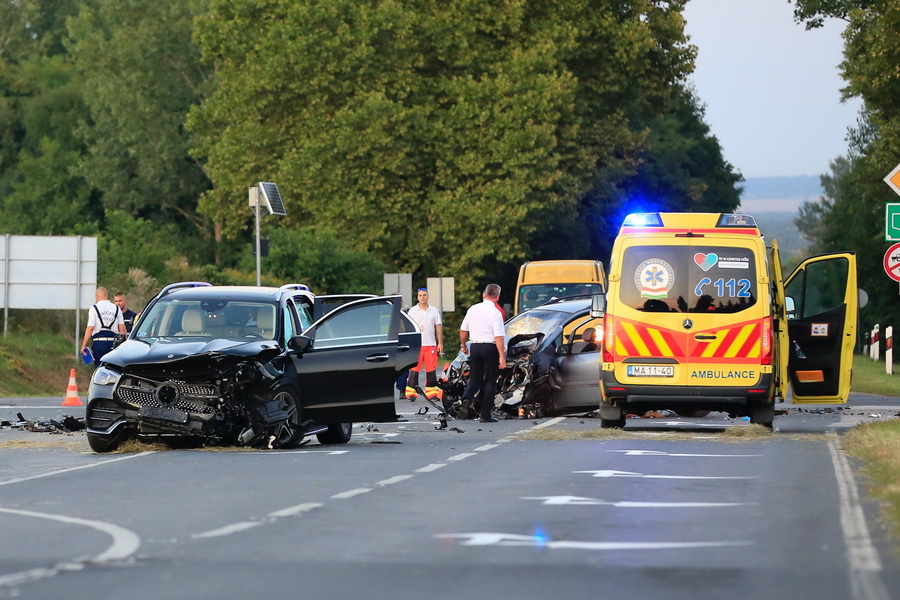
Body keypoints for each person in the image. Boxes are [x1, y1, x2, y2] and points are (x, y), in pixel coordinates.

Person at [459, 283, 507, 423]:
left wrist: (463, 345)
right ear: (497, 297)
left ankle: (467, 397)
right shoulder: (495, 313)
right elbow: (498, 337)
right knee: (490, 381)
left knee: (475, 377)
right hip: (489, 348)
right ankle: (485, 415)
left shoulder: (473, 309)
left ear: (484, 294)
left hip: (475, 347)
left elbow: (463, 331)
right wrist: (502, 357)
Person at [405, 288, 445, 402]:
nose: (422, 297)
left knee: (431, 369)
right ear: (417, 297)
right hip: (417, 345)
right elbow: (409, 328)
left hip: (430, 344)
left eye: (424, 295)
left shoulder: (434, 311)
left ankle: (431, 392)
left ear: (428, 297)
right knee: (414, 369)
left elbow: (438, 327)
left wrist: (440, 343)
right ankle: (411, 392)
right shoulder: (413, 311)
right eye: (420, 295)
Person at [81, 287, 126, 364]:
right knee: (113, 368)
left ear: (97, 296)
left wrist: (84, 345)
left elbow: (90, 328)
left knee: (99, 368)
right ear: (107, 296)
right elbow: (122, 330)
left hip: (99, 343)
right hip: (113, 343)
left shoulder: (94, 308)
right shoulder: (117, 308)